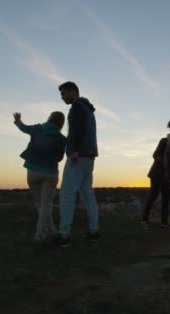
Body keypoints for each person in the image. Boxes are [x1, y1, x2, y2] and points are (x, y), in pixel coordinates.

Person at [55, 81, 100, 247]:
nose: (62, 98)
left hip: (78, 156)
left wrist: (73, 150)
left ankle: (64, 235)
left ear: (72, 91)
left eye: (63, 94)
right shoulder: (88, 109)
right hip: (89, 157)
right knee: (88, 194)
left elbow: (76, 130)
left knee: (67, 194)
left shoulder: (77, 107)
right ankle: (94, 231)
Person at [13, 111, 67, 242]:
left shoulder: (37, 129)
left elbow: (24, 128)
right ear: (61, 123)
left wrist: (18, 120)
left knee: (41, 204)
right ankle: (43, 233)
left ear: (49, 118)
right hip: (50, 173)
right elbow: (60, 158)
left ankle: (46, 232)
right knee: (46, 204)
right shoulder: (61, 138)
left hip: (33, 171)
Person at [141, 133, 170, 229]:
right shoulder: (164, 141)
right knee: (153, 196)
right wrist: (164, 166)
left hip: (167, 176)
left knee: (166, 199)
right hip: (157, 174)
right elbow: (155, 155)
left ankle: (164, 223)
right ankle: (144, 219)